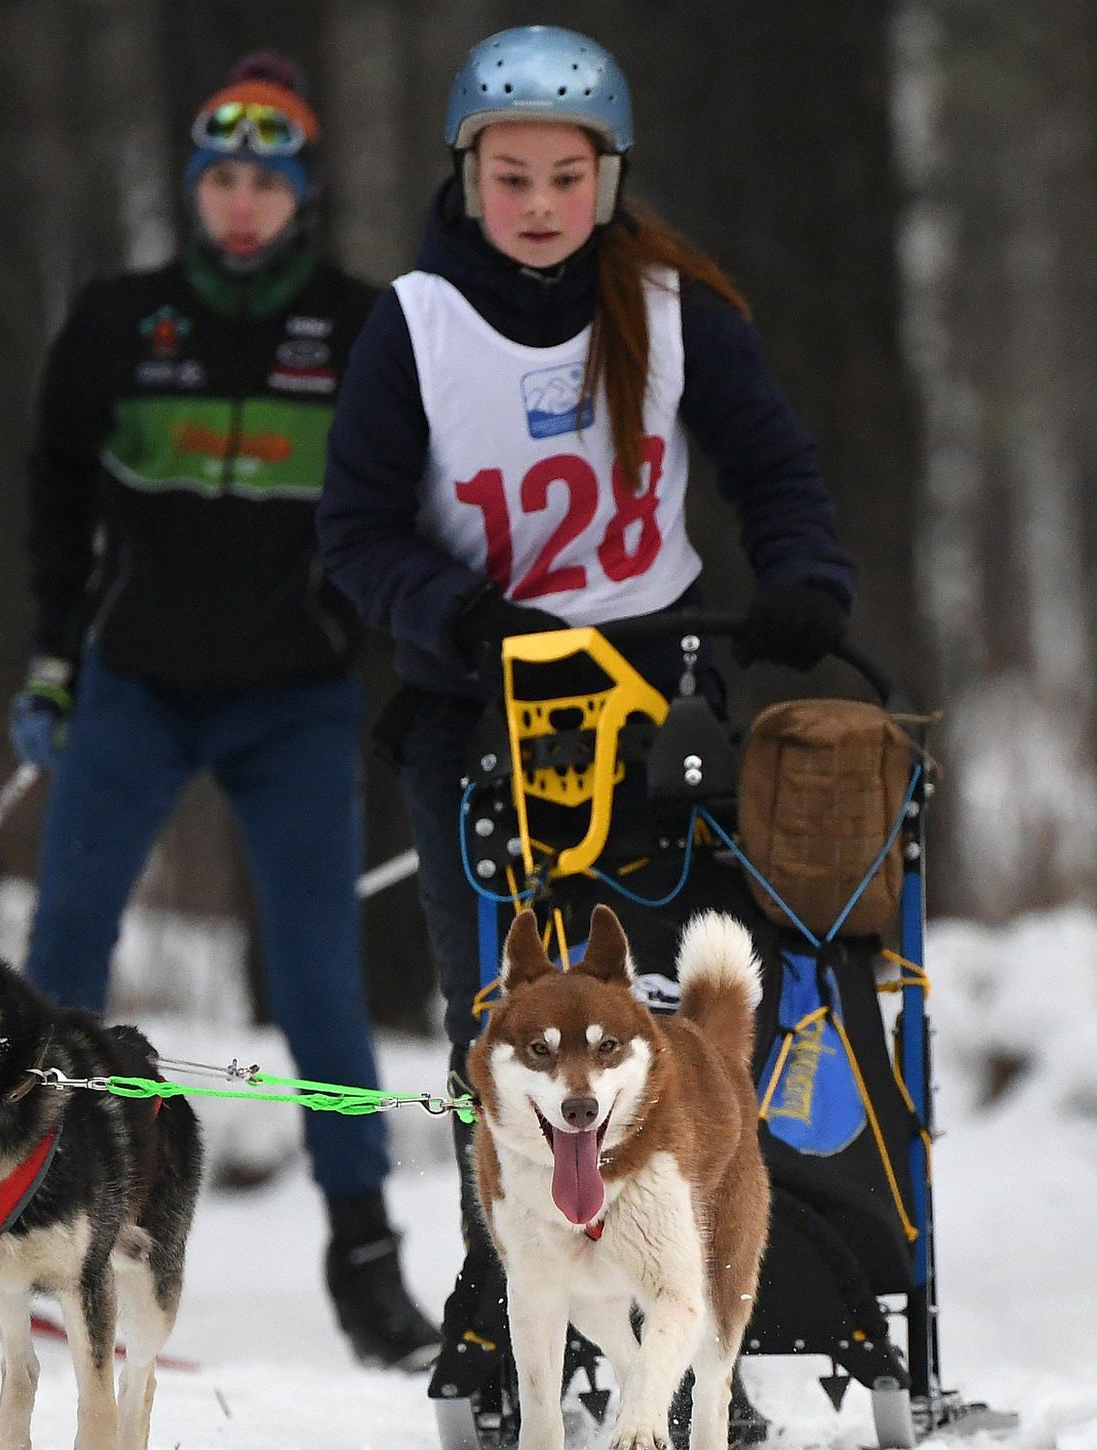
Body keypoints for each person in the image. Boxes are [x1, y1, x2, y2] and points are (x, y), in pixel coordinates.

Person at [316, 22, 856, 1434]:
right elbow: (357, 532)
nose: (540, 203)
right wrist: (454, 609)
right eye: (512, 176)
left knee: (658, 1031)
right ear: (469, 175)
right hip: (479, 709)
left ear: (607, 180)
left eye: (567, 175)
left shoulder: (676, 311)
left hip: (656, 699)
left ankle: (683, 1331)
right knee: (493, 1024)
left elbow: (774, 469)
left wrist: (804, 577)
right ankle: (508, 1314)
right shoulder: (415, 325)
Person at [8, 52, 439, 1371]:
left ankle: (365, 1258)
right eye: (220, 179)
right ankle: (17, 1223)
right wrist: (51, 654)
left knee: (317, 977)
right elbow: (55, 486)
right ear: (194, 191)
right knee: (65, 953)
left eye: (266, 179)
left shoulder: (367, 329)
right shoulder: (122, 321)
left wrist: (387, 652)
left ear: (299, 194)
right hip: (135, 684)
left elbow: (412, 502)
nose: (241, 203)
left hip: (292, 701)